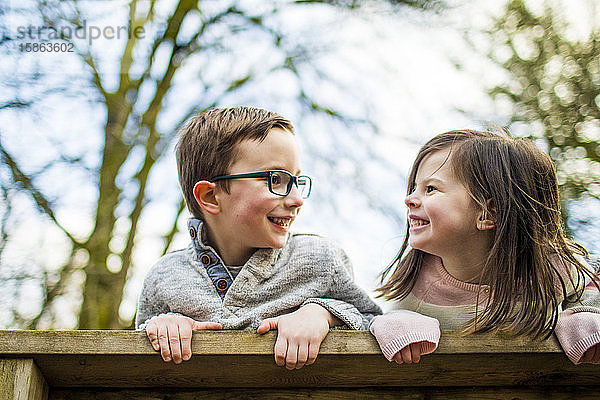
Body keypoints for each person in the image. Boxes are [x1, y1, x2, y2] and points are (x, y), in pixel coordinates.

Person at [136, 106, 381, 369]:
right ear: (210, 197)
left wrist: (321, 314)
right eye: (276, 179)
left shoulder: (320, 259)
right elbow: (134, 354)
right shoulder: (165, 276)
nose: (297, 199)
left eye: (297, 181)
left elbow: (373, 324)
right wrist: (161, 327)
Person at [369, 129, 600, 365]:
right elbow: (386, 320)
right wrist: (402, 322)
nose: (409, 198)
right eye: (414, 187)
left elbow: (591, 277)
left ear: (488, 212)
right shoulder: (418, 282)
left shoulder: (548, 266)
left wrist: (585, 315)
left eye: (430, 189)